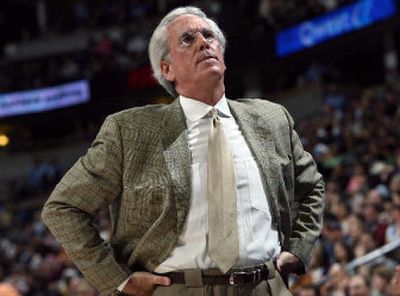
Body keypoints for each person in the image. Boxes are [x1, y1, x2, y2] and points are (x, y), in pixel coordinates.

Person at [41, 6, 324, 296]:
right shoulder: (130, 131)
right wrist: (118, 279)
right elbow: (63, 208)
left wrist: (299, 248)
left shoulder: (271, 118)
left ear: (223, 57)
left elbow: (312, 187)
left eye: (209, 35)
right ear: (167, 69)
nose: (203, 42)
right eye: (188, 39)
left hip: (267, 286)